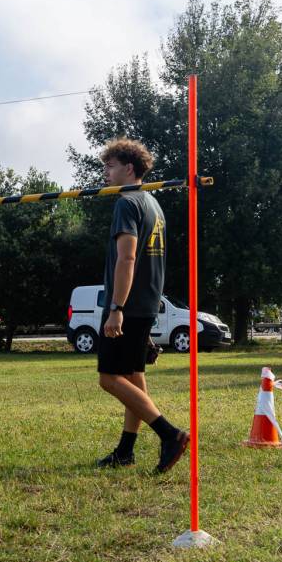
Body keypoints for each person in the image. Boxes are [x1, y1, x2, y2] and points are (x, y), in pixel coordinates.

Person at [92, 138, 188, 474]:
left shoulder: (127, 203)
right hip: (146, 301)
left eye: (111, 166)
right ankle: (125, 451)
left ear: (129, 168)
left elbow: (128, 257)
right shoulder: (152, 203)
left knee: (109, 378)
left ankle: (170, 434)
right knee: (134, 376)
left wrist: (116, 308)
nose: (106, 173)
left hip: (128, 305)